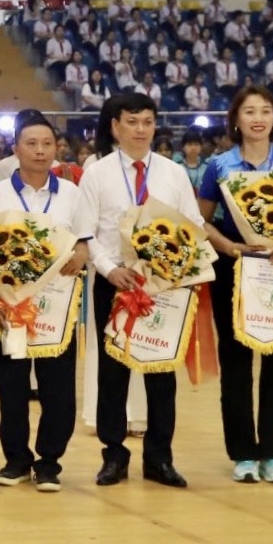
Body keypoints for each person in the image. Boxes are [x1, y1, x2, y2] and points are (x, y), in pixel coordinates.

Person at [197, 86, 273, 484]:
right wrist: (230, 246)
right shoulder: (219, 166)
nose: (257, 117)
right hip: (235, 268)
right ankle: (243, 453)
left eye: (265, 110)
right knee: (236, 364)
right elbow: (202, 220)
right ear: (236, 119)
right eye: (249, 111)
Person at [85, 91, 204, 489]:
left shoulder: (172, 172)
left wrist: (173, 271)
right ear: (115, 126)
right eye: (131, 122)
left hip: (164, 287)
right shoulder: (96, 172)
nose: (140, 129)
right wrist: (109, 269)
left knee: (161, 374)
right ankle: (113, 455)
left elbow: (191, 228)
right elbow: (87, 234)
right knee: (113, 372)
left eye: (147, 122)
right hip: (114, 283)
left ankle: (159, 458)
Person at [0, 112, 94, 492]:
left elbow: (85, 241)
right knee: (12, 387)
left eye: (47, 144)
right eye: (31, 144)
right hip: (9, 308)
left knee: (58, 389)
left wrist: (81, 253)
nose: (39, 150)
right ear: (15, 149)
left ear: (57, 149)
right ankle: (16, 460)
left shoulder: (71, 194)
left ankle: (49, 462)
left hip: (58, 311)